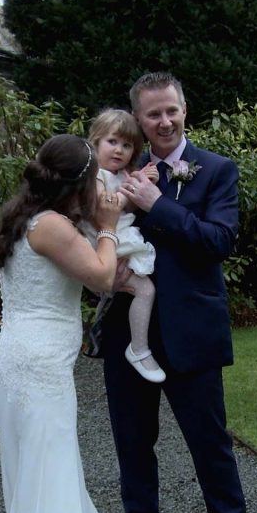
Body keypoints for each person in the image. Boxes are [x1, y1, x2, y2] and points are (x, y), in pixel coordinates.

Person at [101, 72, 247, 513]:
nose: (164, 122)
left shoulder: (218, 170)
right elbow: (92, 232)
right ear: (139, 120)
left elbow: (219, 242)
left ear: (184, 110)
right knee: (133, 448)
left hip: (193, 332)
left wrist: (157, 204)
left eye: (171, 110)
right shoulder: (118, 170)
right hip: (128, 333)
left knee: (211, 448)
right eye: (153, 114)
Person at [0, 134, 122, 513]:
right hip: (40, 365)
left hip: (19, 353)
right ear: (78, 184)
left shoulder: (24, 217)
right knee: (50, 459)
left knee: (35, 461)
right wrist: (109, 226)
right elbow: (102, 278)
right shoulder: (52, 226)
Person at [84, 108, 165, 383]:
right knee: (146, 290)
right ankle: (139, 348)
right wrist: (131, 185)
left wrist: (139, 183)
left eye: (127, 145)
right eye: (112, 142)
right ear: (95, 141)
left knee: (144, 289)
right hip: (106, 242)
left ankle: (138, 347)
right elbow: (103, 209)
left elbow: (128, 205)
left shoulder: (118, 174)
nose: (119, 150)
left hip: (121, 240)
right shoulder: (94, 175)